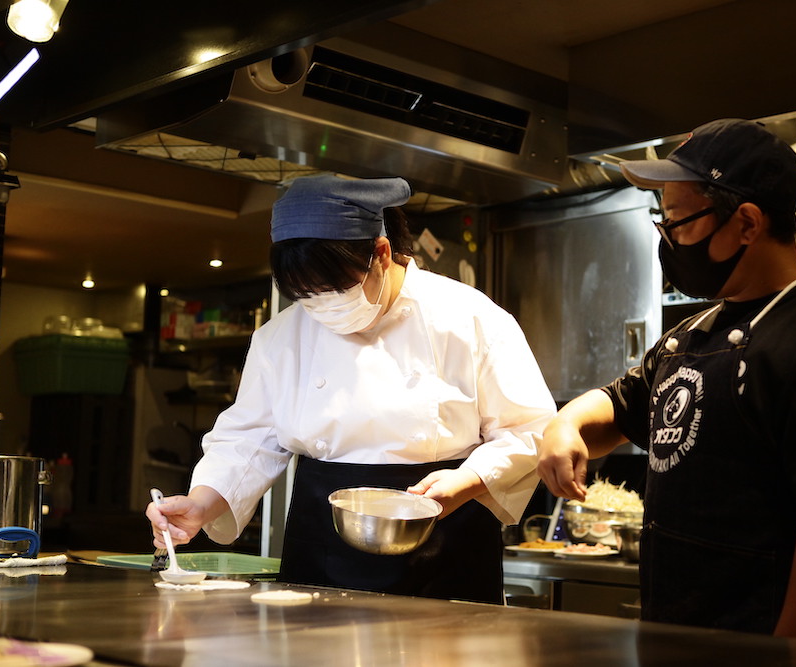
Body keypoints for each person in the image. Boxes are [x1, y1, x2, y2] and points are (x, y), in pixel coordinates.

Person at [536, 118, 796, 641]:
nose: (669, 241)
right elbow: (620, 405)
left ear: (747, 223)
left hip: (765, 643)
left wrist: (788, 656)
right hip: (676, 637)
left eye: (679, 222)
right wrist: (565, 424)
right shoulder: (692, 333)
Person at [146, 174, 556, 604]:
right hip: (323, 541)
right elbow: (248, 439)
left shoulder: (468, 317)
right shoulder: (280, 337)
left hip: (443, 533)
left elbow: (529, 430)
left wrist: (468, 480)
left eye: (335, 289)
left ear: (381, 252)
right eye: (306, 296)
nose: (323, 307)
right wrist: (202, 503)